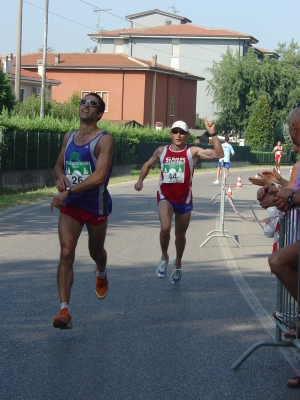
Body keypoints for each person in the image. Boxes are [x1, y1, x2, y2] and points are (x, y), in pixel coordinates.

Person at [50, 92, 114, 329]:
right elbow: (58, 166)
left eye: (92, 104)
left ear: (99, 113)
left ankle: (102, 271)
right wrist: (60, 179)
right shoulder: (68, 137)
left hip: (94, 204)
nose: (86, 105)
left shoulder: (105, 140)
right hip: (72, 206)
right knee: (66, 252)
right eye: (83, 102)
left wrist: (70, 191)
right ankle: (64, 310)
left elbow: (99, 177)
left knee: (96, 252)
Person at [134, 119, 223, 285]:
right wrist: (140, 180)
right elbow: (147, 164)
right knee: (165, 228)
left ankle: (178, 263)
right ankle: (164, 256)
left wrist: (212, 133)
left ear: (187, 135)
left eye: (182, 132)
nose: (178, 135)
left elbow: (219, 154)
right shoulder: (162, 151)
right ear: (170, 134)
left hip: (184, 199)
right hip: (165, 197)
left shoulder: (192, 152)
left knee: (180, 236)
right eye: (175, 131)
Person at [257, 107, 300, 389]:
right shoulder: (298, 164)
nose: (291, 131)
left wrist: (288, 193)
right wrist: (271, 194)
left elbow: (294, 195)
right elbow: (290, 197)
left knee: (278, 261)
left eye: (292, 126)